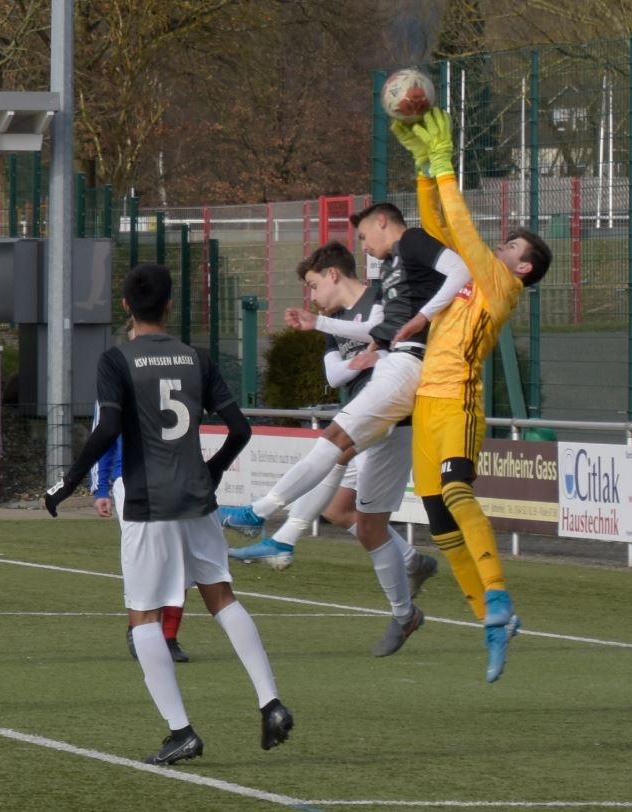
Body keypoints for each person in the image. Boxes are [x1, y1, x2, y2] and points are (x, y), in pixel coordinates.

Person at [44, 262, 292, 766]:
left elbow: (107, 428)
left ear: (126, 308)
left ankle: (181, 731)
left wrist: (67, 482)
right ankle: (271, 700)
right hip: (197, 499)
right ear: (170, 305)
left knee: (143, 617)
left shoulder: (117, 360)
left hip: (147, 503)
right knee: (221, 597)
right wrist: (212, 471)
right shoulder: (196, 359)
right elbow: (240, 428)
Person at [219, 201, 470, 573]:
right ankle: (402, 602)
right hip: (398, 367)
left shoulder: (413, 241)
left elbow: (461, 271)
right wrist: (319, 324)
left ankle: (261, 514)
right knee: (355, 504)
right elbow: (375, 329)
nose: (364, 245)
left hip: (406, 365)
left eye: (365, 235)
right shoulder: (389, 270)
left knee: (334, 443)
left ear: (382, 221)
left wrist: (421, 318)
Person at [390, 108, 552, 682]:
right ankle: (490, 620)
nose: (500, 247)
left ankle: (501, 596)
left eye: (510, 246)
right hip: (426, 402)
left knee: (458, 491)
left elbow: (460, 231)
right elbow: (439, 234)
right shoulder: (471, 278)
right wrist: (423, 171)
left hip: (459, 396)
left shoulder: (502, 285)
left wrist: (445, 164)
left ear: (523, 266)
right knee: (437, 520)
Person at [245, 242, 440, 656]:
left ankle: (274, 529)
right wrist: (356, 358)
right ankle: (408, 569)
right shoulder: (333, 322)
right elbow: (334, 375)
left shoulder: (379, 298)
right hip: (364, 411)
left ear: (333, 274)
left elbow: (379, 333)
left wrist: (330, 328)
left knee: (336, 451)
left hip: (388, 414)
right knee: (343, 513)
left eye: (314, 286)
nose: (312, 297)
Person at [93, 398, 189, 664]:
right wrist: (102, 488)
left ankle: (169, 637)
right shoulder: (117, 380)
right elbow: (105, 438)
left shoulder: (176, 377)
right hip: (130, 480)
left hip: (171, 479)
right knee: (142, 560)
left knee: (176, 558)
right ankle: (138, 629)